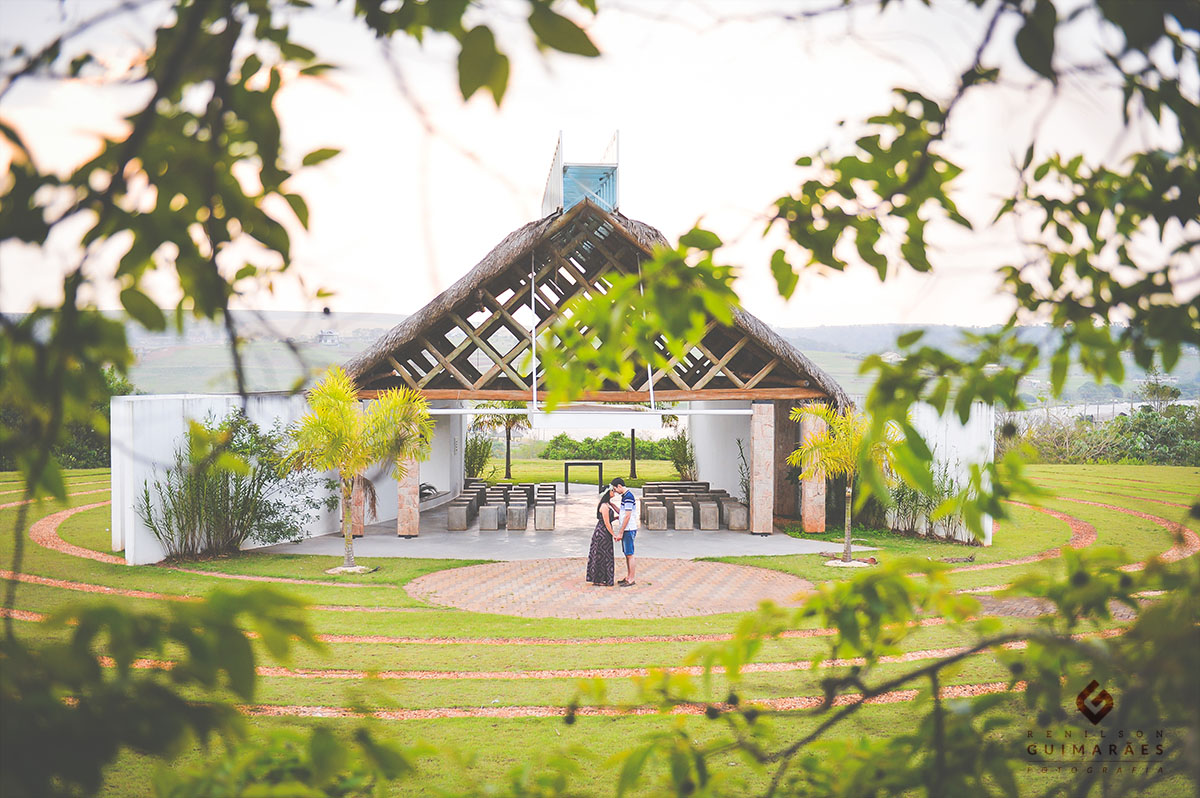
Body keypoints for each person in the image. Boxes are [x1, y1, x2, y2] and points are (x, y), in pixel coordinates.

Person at [585, 487, 619, 587]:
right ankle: (599, 579)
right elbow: (606, 522)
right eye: (612, 490)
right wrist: (614, 534)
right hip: (602, 534)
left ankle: (602, 578)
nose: (614, 492)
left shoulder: (608, 504)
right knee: (601, 556)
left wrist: (615, 517)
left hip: (605, 533)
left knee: (605, 556)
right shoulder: (604, 506)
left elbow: (609, 519)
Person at [610, 477, 637, 587]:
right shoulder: (625, 497)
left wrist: (620, 532)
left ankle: (631, 578)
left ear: (620, 486)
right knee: (627, 554)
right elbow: (622, 512)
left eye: (615, 489)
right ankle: (628, 576)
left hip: (628, 529)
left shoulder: (629, 497)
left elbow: (627, 515)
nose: (615, 491)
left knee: (630, 554)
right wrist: (611, 504)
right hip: (626, 529)